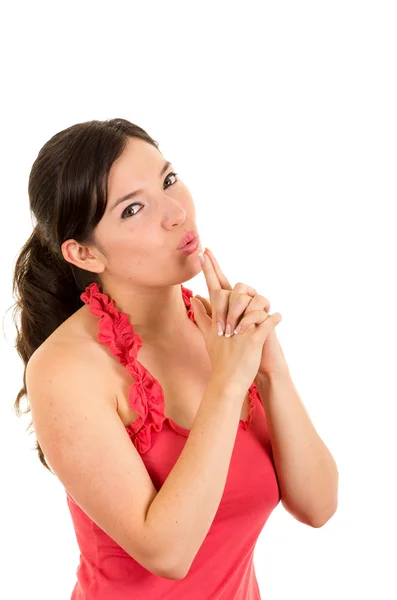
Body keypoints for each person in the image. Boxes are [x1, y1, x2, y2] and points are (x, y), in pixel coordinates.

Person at [12, 118, 282, 599]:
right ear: (84, 253)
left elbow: (320, 505)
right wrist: (227, 381)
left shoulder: (218, 327)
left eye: (169, 180)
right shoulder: (63, 370)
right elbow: (168, 554)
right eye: (133, 208)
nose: (176, 212)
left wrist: (270, 368)